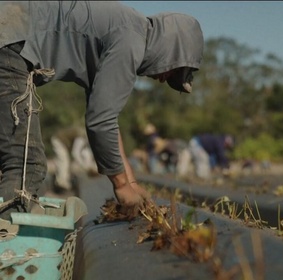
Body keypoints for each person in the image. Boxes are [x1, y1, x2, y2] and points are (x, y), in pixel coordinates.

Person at [0, 1, 204, 219]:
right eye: (175, 72)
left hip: (10, 34)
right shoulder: (130, 42)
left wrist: (131, 182)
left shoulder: (129, 30)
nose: (165, 80)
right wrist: (122, 187)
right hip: (11, 43)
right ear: (171, 49)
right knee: (26, 164)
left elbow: (107, 119)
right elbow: (100, 122)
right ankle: (8, 244)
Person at [51, 126, 98, 192]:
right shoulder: (81, 136)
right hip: (58, 140)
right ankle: (61, 184)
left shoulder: (85, 137)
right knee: (64, 160)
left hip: (65, 142)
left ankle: (65, 182)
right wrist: (86, 168)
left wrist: (90, 165)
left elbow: (86, 153)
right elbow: (75, 153)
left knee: (67, 161)